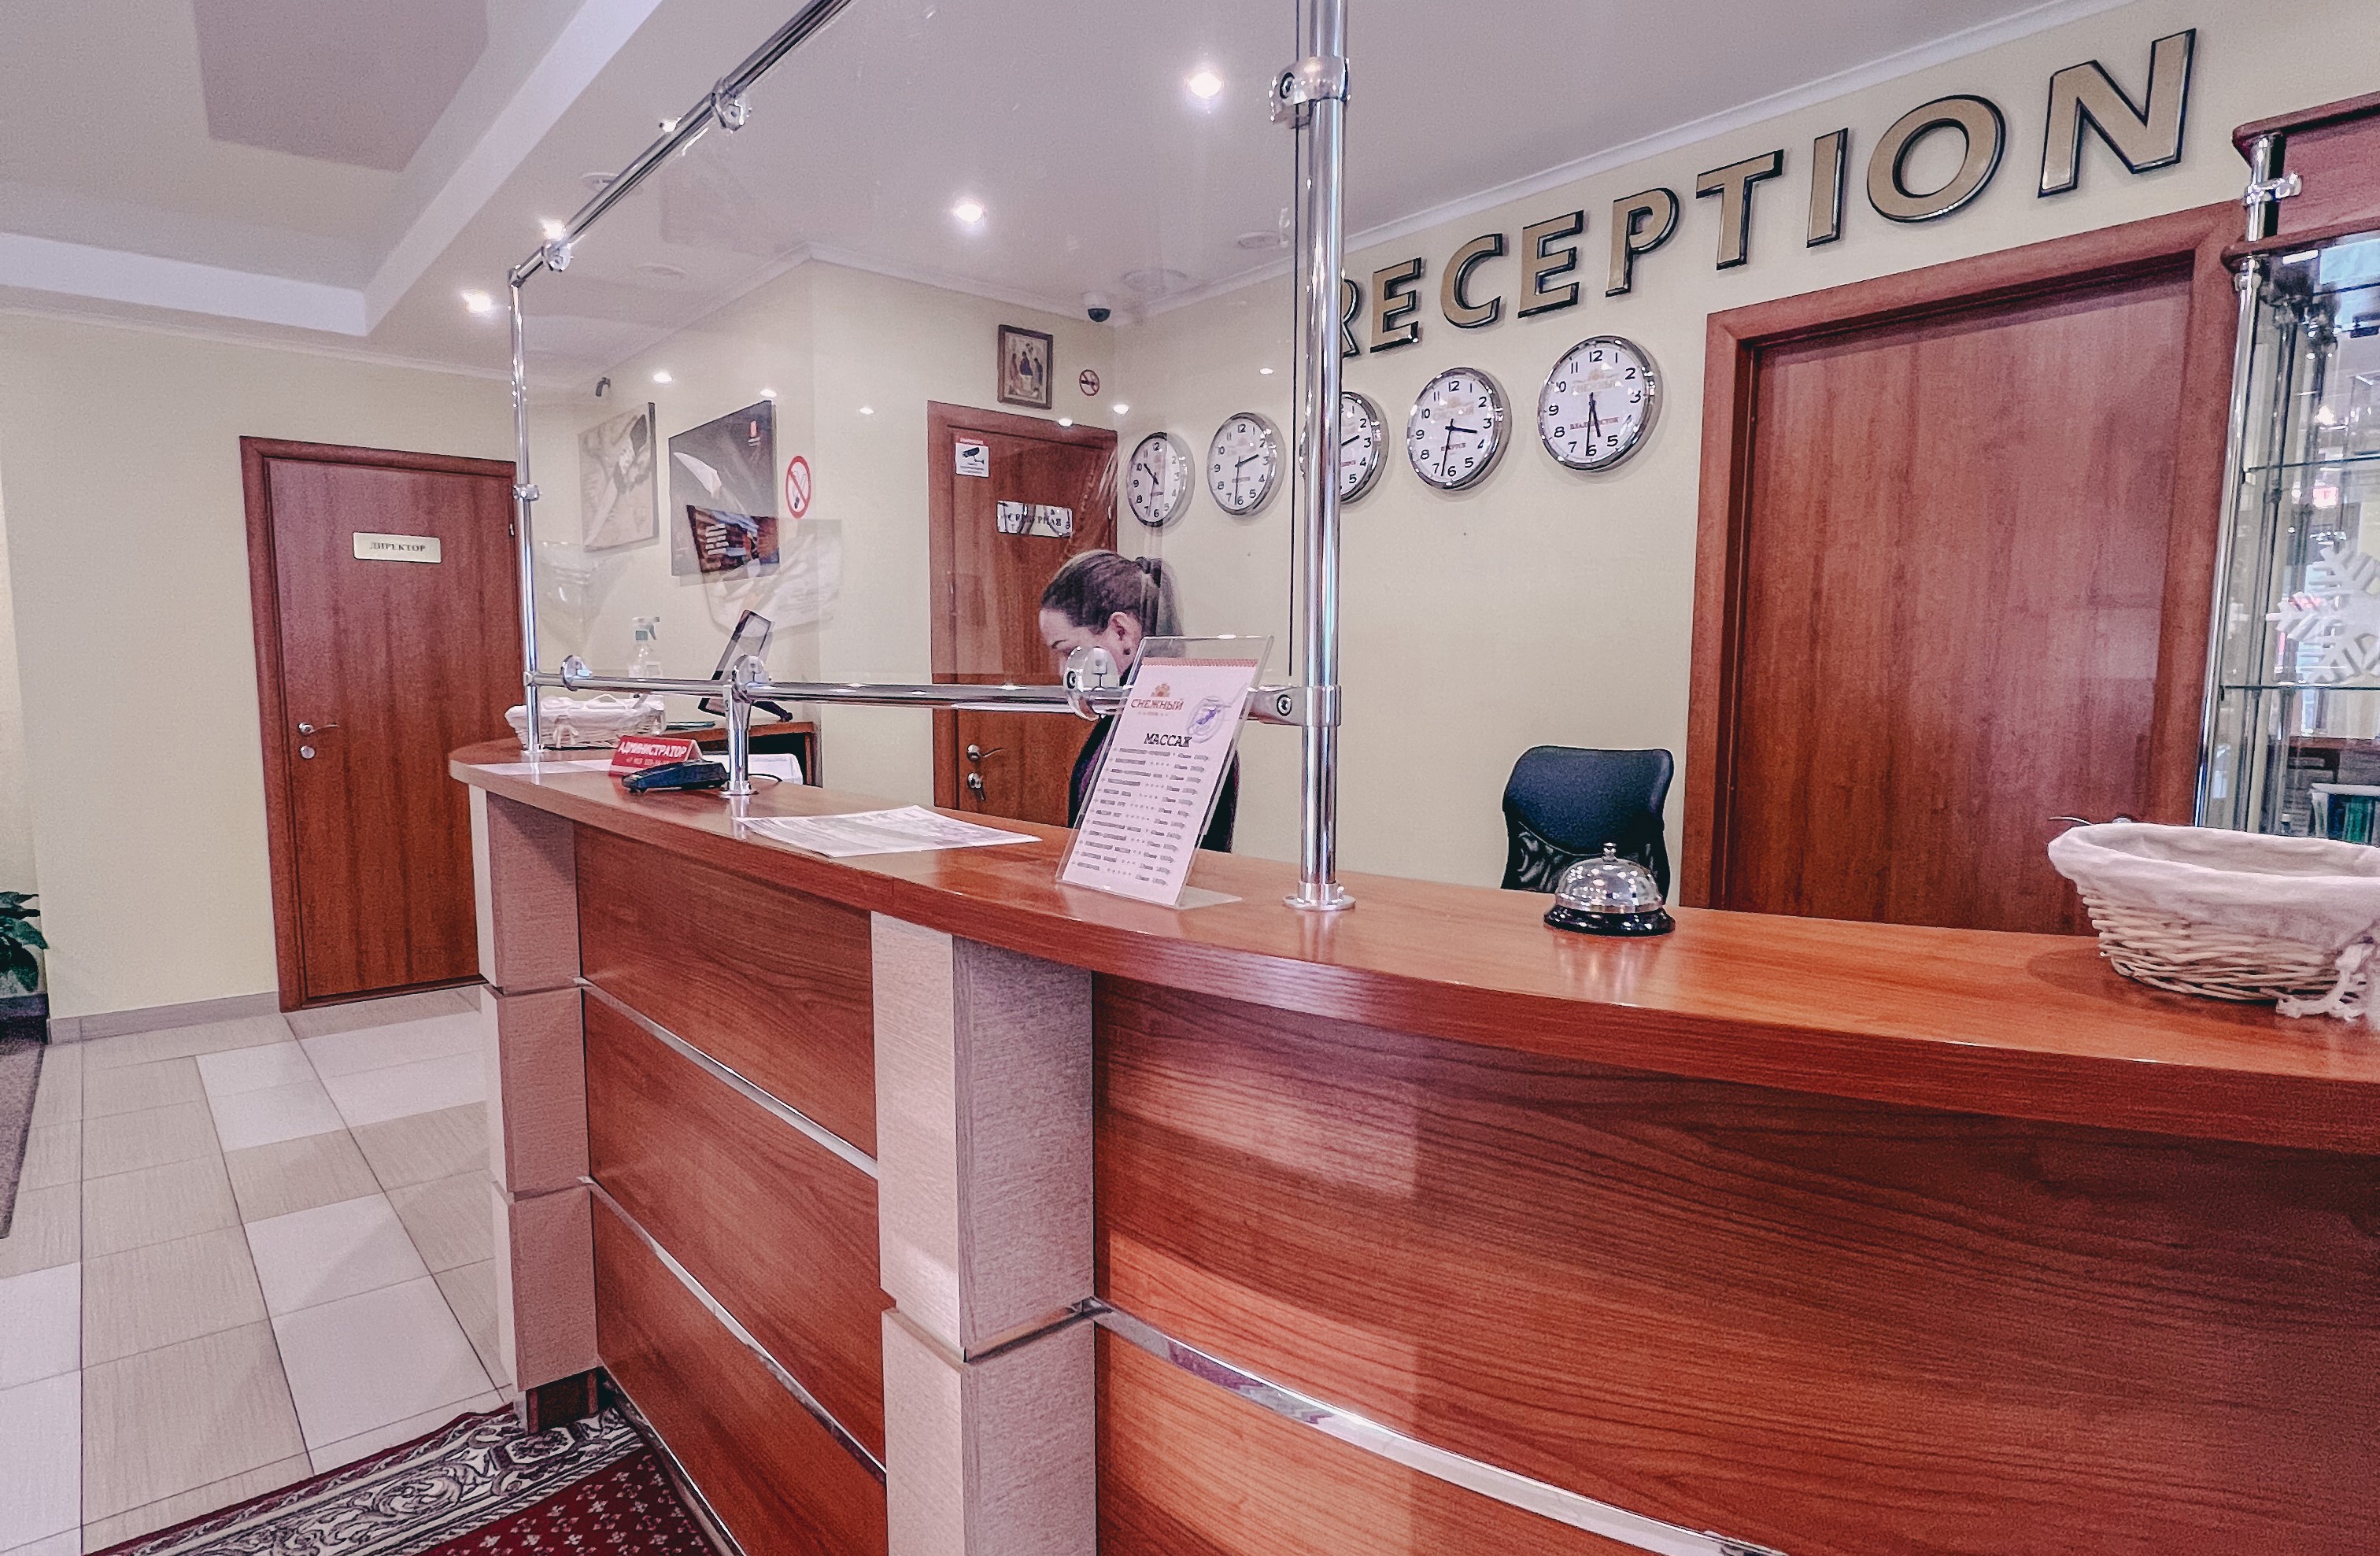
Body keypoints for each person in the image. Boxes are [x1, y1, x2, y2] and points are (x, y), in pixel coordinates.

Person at [1039, 549, 1238, 852]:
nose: (1062, 671)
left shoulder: (1167, 720)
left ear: (1121, 633)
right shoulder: (1127, 711)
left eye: (1069, 651)